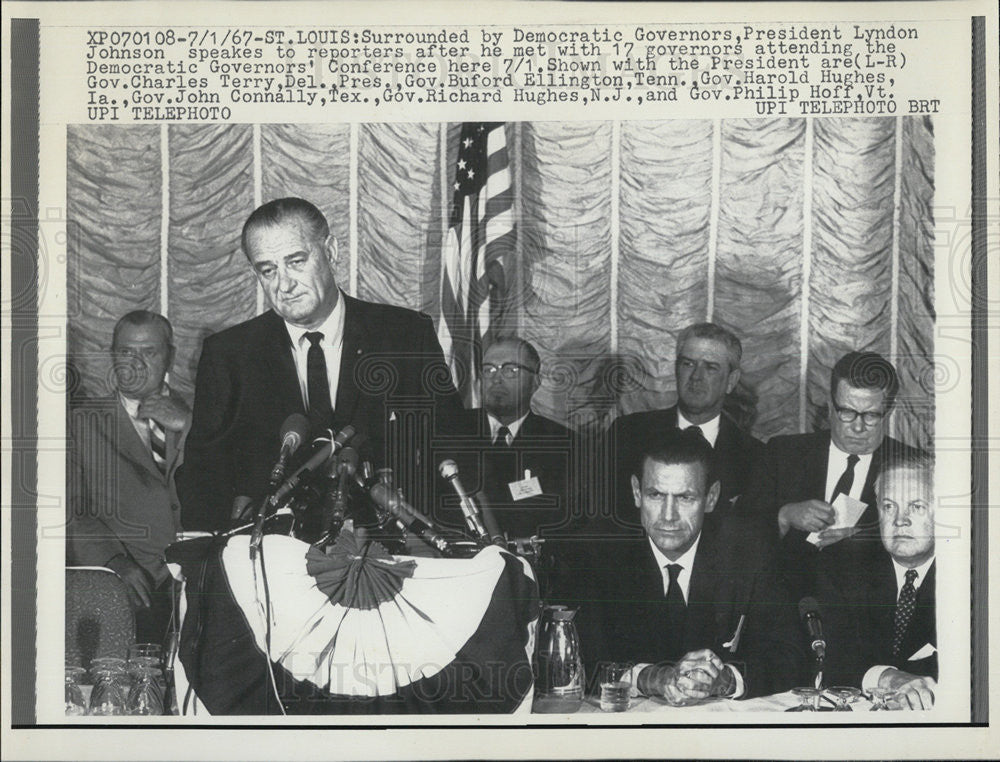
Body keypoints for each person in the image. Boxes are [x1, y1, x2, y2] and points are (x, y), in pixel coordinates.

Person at [176, 197, 463, 531]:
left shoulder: (404, 335)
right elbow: (203, 473)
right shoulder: (229, 354)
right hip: (272, 553)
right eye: (268, 270)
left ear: (332, 251)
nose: (283, 285)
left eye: (296, 261)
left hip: (390, 548)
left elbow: (451, 443)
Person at [558, 428, 802, 703]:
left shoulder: (748, 551)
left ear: (711, 498)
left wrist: (724, 679)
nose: (668, 516)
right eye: (656, 495)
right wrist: (653, 678)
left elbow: (789, 657)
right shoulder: (596, 554)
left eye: (685, 498)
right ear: (637, 493)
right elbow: (576, 662)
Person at [743, 350, 921, 600]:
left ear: (889, 413)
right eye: (846, 412)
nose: (858, 427)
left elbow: (931, 550)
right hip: (784, 613)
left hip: (870, 618)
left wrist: (868, 538)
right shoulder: (782, 453)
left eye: (871, 415)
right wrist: (784, 516)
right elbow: (738, 534)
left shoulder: (914, 467)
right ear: (829, 406)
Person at [67, 310, 190, 643]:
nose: (135, 363)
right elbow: (72, 512)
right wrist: (114, 562)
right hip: (127, 589)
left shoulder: (204, 417)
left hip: (201, 586)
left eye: (148, 352)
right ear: (112, 355)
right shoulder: (81, 424)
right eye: (125, 352)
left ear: (171, 356)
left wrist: (190, 426)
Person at [605, 322, 763, 527]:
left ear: (731, 381)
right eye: (688, 364)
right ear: (676, 370)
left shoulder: (756, 456)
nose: (696, 377)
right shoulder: (627, 433)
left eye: (711, 367)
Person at [816, 449, 937, 710]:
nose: (900, 520)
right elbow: (832, 657)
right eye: (889, 506)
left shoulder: (970, 576)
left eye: (916, 506)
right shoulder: (845, 564)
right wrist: (887, 677)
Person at [430, 337, 577, 540]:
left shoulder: (565, 444)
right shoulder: (446, 432)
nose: (496, 378)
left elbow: (566, 522)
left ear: (536, 382)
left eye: (510, 370)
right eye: (489, 369)